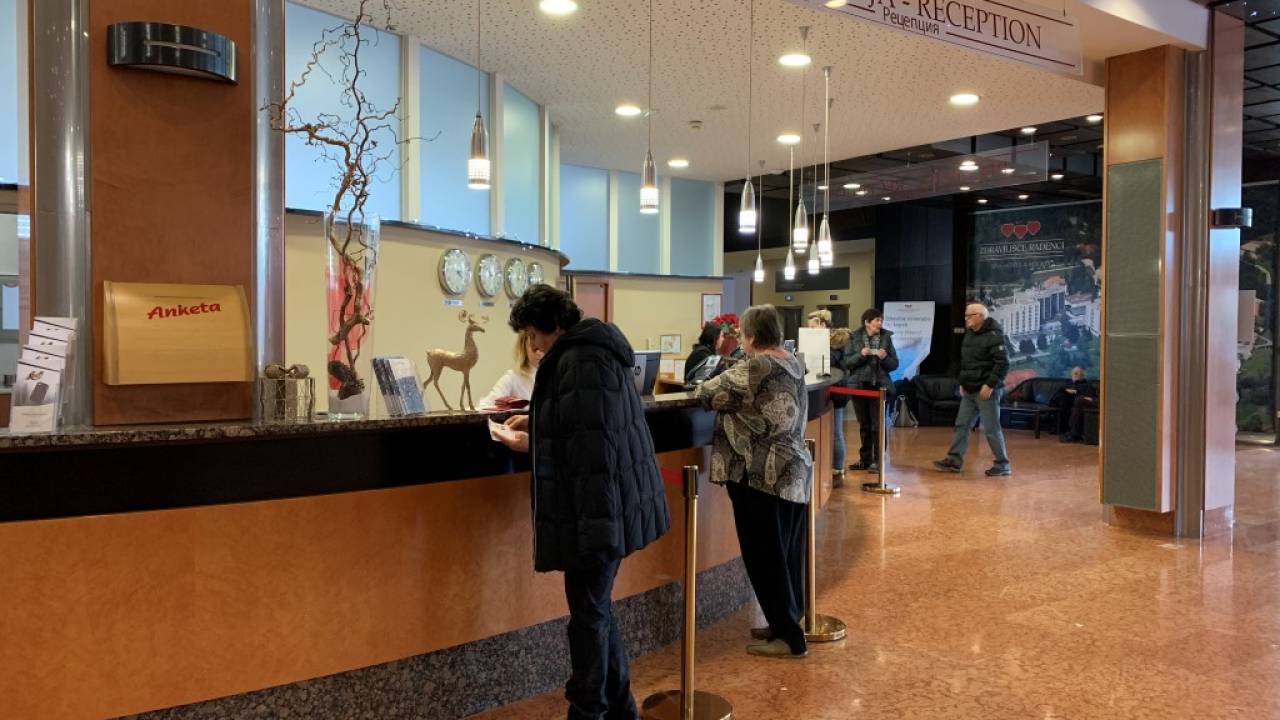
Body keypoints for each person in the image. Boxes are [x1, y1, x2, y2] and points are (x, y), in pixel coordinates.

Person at [497, 285, 670, 720]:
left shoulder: (580, 359)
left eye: (534, 334)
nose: (533, 345)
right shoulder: (591, 350)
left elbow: (590, 448)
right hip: (605, 507)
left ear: (555, 325)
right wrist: (537, 422)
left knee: (588, 617)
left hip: (597, 511)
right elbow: (584, 422)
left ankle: (588, 710)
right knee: (595, 610)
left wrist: (530, 444)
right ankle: (622, 710)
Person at [694, 304, 811, 660]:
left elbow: (706, 392)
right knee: (786, 555)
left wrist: (733, 361)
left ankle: (789, 637)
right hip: (792, 471)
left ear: (752, 335)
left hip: (761, 475)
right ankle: (784, 623)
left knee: (765, 557)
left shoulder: (756, 365)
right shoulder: (792, 361)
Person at [933, 303, 1011, 477]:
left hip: (986, 390)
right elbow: (966, 363)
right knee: (962, 425)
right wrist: (963, 382)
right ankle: (954, 460)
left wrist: (990, 385)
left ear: (981, 316)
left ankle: (1003, 464)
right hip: (969, 389)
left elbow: (1003, 364)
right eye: (966, 315)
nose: (966, 318)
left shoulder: (994, 336)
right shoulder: (970, 334)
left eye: (970, 315)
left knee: (991, 429)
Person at [842, 308, 899, 474]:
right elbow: (847, 363)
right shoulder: (853, 337)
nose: (880, 323)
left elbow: (895, 364)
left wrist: (884, 357)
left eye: (881, 320)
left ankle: (878, 461)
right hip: (859, 386)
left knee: (877, 426)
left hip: (879, 386)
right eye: (877, 320)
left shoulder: (886, 338)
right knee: (864, 425)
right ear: (867, 322)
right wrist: (861, 355)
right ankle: (865, 460)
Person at [806, 309, 851, 488]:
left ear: (822, 325)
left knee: (836, 432)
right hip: (826, 391)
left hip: (837, 392)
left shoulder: (837, 343)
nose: (810, 331)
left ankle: (838, 470)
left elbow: (829, 361)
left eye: (812, 327)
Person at [476, 329, 542, 409]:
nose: (539, 352)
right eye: (534, 347)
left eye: (543, 346)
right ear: (524, 347)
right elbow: (484, 406)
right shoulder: (513, 377)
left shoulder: (555, 377)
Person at [1056, 366, 1097, 443]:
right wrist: (1066, 390)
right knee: (1062, 396)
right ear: (1072, 374)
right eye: (1075, 373)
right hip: (1067, 402)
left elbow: (1089, 396)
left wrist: (1076, 391)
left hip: (1079, 402)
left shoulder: (1087, 385)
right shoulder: (1068, 383)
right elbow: (1060, 390)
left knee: (1077, 401)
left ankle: (1074, 433)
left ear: (1083, 375)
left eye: (1080, 373)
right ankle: (1065, 430)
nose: (1078, 375)